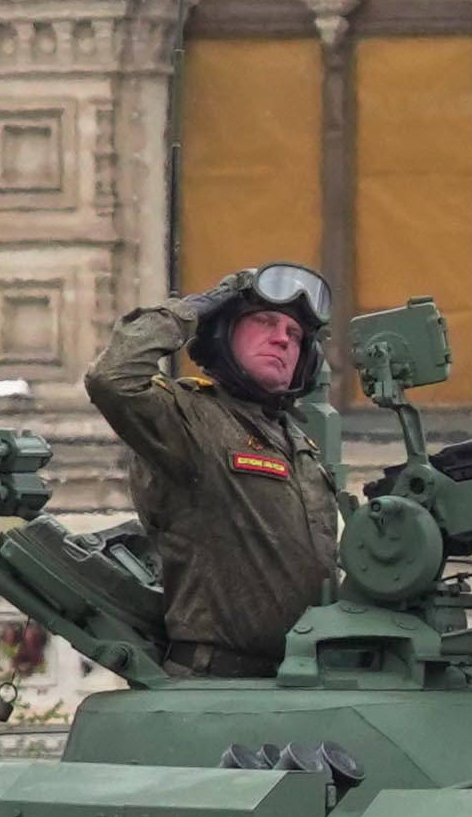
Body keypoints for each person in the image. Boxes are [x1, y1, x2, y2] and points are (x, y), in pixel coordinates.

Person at [88, 263, 346, 680]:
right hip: (215, 682)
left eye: (295, 335)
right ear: (223, 335)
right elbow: (112, 378)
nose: (282, 338)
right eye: (264, 322)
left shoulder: (298, 444)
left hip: (296, 680)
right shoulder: (190, 419)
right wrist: (195, 309)